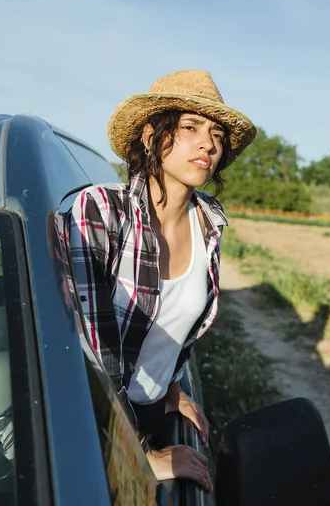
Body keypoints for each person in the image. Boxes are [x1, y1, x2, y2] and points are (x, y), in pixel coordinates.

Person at [69, 69, 256, 492]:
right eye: (190, 127)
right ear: (152, 137)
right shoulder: (100, 213)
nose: (208, 143)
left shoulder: (209, 225)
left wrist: (167, 386)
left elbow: (172, 329)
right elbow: (91, 361)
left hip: (150, 414)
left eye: (217, 135)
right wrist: (138, 457)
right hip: (91, 432)